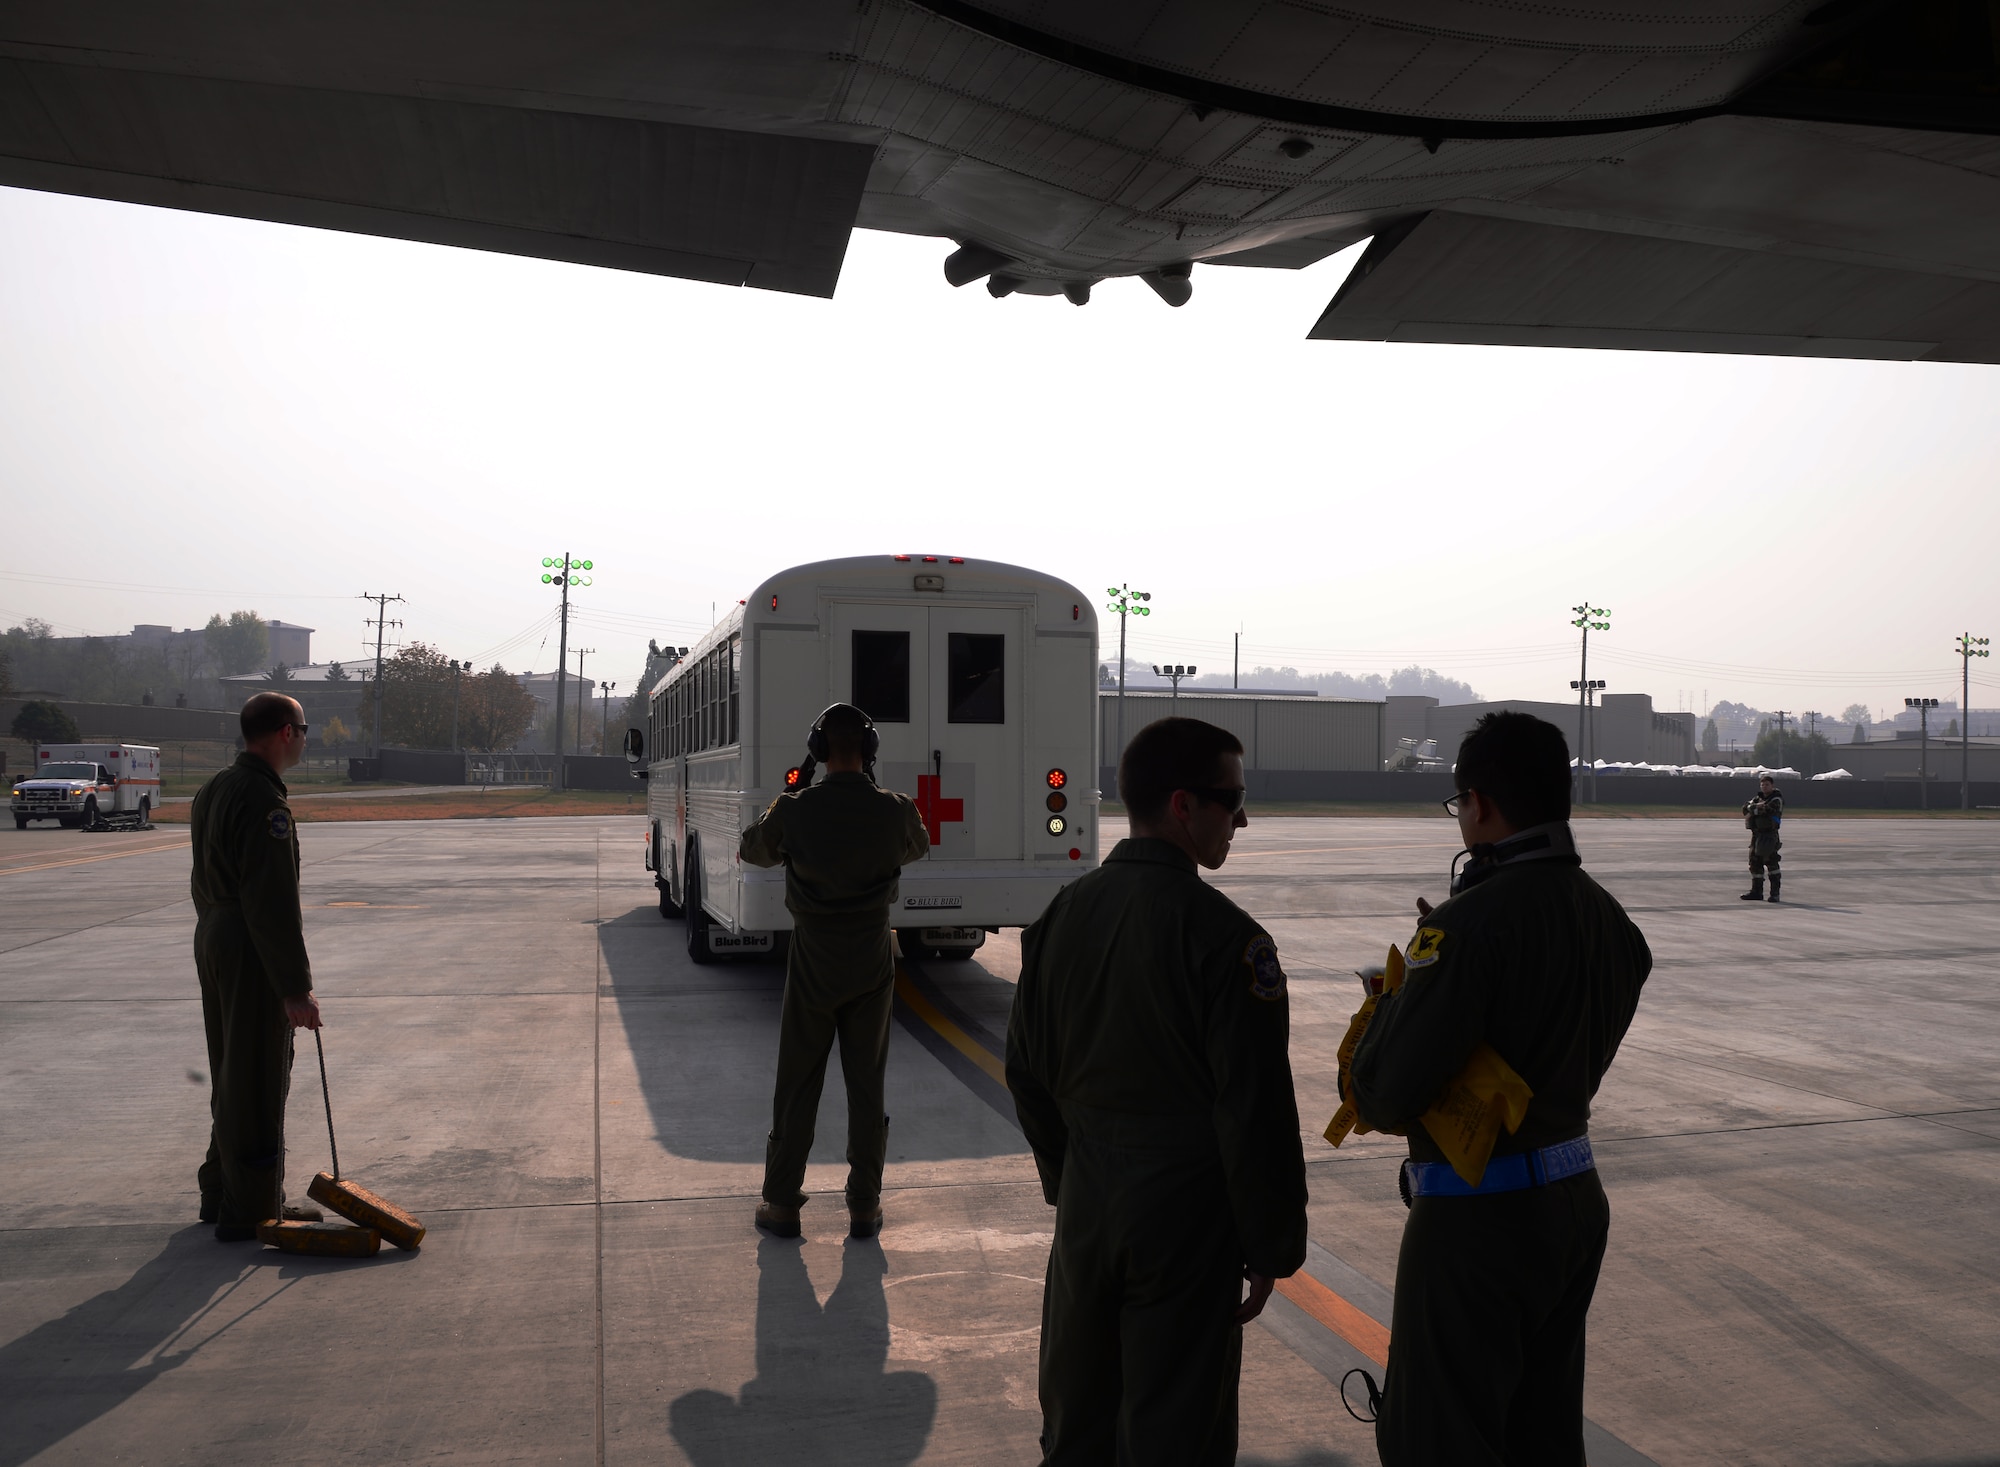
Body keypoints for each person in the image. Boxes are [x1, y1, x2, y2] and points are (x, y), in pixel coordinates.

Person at [1346, 711, 1651, 1466]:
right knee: (1540, 1436)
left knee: (1438, 1438)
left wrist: (1399, 993)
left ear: (1478, 803)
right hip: (1572, 1200)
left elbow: (1379, 1096)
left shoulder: (1464, 928)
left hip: (1479, 1221)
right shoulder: (1613, 923)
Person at [1006, 717, 1307, 1466]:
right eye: (1231, 799)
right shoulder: (1228, 940)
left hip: (1086, 1209)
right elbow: (1255, 1111)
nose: (1241, 817)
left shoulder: (1060, 917)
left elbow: (1024, 1070)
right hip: (1183, 1219)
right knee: (1176, 1431)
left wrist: (1071, 1177)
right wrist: (1270, 1243)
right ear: (1183, 804)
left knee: (1076, 1424)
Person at [738, 703, 929, 1240]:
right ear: (869, 753)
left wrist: (791, 792)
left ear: (819, 752)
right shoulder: (895, 810)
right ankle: (864, 1206)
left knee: (798, 1081)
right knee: (867, 1084)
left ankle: (781, 1204)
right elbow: (918, 846)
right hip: (871, 961)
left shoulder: (796, 808)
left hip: (813, 963)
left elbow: (751, 850)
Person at [192, 691, 322, 1242]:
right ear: (285, 733)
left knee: (230, 1068)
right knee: (257, 1073)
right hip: (247, 941)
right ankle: (250, 1207)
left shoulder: (215, 788)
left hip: (216, 933)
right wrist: (294, 988)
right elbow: (271, 902)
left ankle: (221, 1190)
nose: (305, 738)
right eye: (304, 728)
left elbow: (204, 877)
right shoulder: (263, 799)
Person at [1741, 774, 1783, 902]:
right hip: (1757, 835)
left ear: (1772, 786)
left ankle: (1775, 893)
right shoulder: (1757, 798)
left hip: (1769, 835)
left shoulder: (1776, 799)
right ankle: (1756, 892)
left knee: (1771, 864)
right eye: (1762, 784)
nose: (1764, 787)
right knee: (1755, 863)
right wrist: (1754, 807)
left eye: (1767, 785)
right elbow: (1744, 809)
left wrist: (1753, 809)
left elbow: (1767, 810)